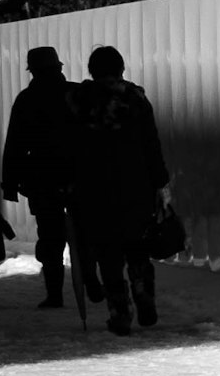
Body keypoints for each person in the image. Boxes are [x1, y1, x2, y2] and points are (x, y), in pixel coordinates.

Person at [66, 46, 170, 333]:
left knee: (108, 253)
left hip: (93, 189)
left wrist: (68, 183)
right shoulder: (135, 99)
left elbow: (67, 148)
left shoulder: (78, 101)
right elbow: (151, 142)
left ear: (92, 70)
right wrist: (160, 181)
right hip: (135, 185)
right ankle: (144, 295)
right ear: (121, 68)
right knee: (137, 247)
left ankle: (119, 311)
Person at [0, 47, 82, 309]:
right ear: (59, 67)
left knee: (50, 238)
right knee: (86, 232)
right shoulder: (76, 93)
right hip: (80, 176)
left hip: (42, 180)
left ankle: (55, 293)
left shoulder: (27, 99)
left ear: (32, 71)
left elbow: (14, 145)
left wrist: (10, 183)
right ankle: (91, 283)